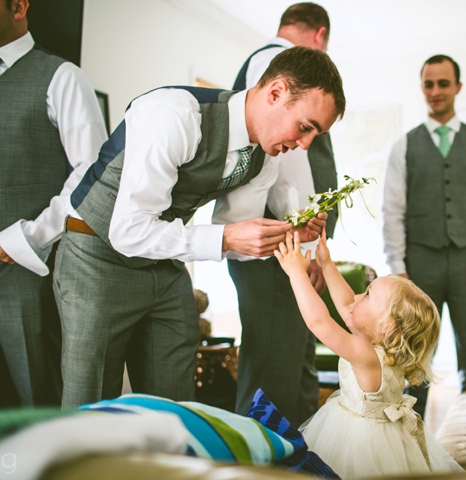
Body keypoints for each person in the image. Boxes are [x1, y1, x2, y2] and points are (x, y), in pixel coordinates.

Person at [54, 46, 346, 408]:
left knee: (176, 402)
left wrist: (285, 234)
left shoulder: (265, 160)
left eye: (315, 135)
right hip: (97, 256)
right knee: (91, 401)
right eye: (305, 127)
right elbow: (129, 230)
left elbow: (234, 234)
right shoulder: (176, 114)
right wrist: (226, 238)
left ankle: (171, 464)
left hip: (164, 265)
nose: (304, 144)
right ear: (276, 92)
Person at [217, 2, 338, 426]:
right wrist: (304, 251)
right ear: (319, 36)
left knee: (295, 369)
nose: (305, 140)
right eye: (308, 128)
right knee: (272, 377)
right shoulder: (278, 64)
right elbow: (280, 166)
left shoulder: (269, 63)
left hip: (284, 248)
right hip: (275, 254)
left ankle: (300, 462)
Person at [382, 54, 466, 418]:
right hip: (420, 261)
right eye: (428, 84)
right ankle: (410, 427)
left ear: (457, 87)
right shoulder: (405, 145)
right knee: (415, 351)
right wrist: (397, 265)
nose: (435, 91)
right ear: (422, 87)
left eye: (442, 83)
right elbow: (392, 210)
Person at [274, 229, 462, 478]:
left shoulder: (366, 354)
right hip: (382, 435)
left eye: (368, 294)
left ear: (385, 325)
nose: (357, 296)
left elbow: (319, 323)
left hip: (359, 442)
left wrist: (296, 273)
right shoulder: (378, 345)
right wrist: (327, 264)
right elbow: (344, 303)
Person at [0, 0, 108, 406]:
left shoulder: (62, 77)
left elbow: (91, 176)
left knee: (39, 403)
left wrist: (25, 238)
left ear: (18, 6)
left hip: (28, 275)